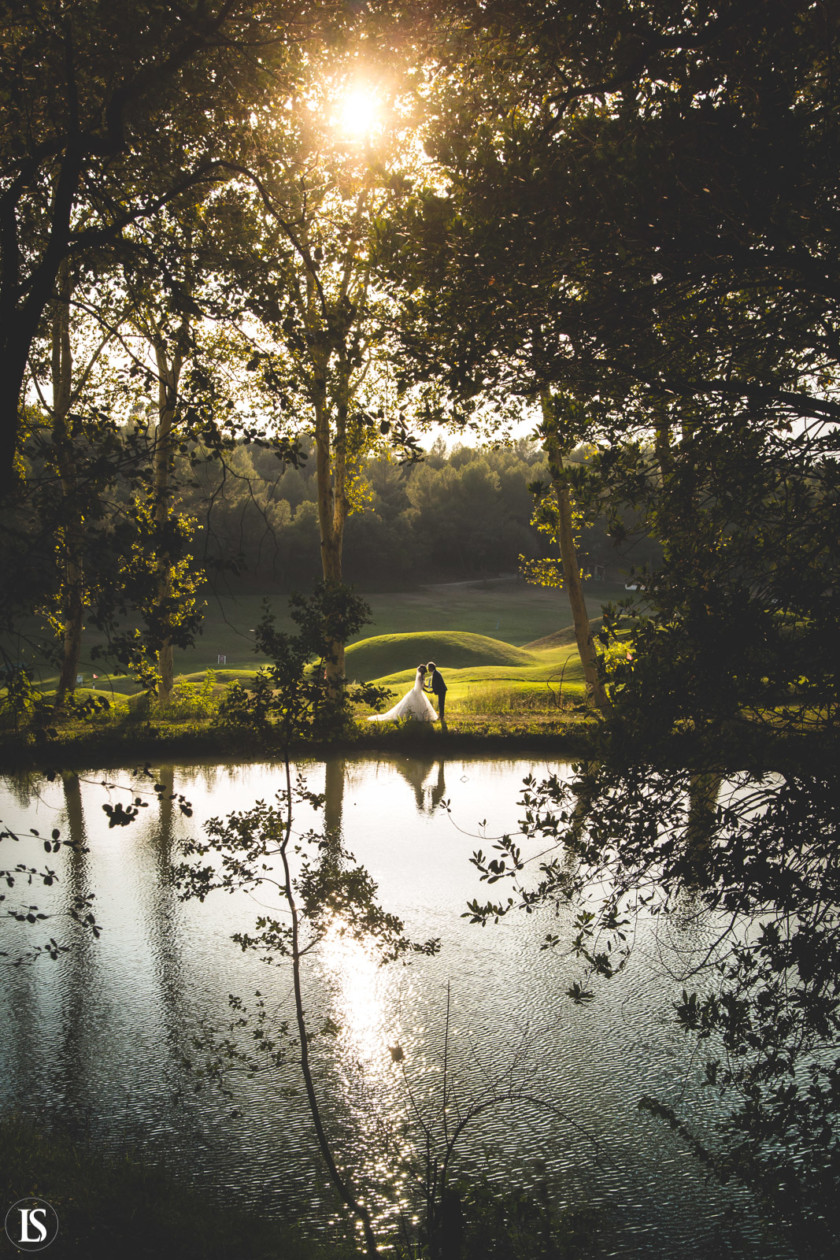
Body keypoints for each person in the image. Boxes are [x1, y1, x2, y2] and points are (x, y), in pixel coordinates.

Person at [367, 663, 438, 723]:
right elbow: (420, 686)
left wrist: (429, 687)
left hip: (419, 692)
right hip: (417, 692)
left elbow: (423, 684)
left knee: (421, 704)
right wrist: (427, 691)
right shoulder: (419, 676)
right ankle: (414, 717)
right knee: (415, 704)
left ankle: (421, 717)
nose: (426, 671)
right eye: (424, 670)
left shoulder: (423, 676)